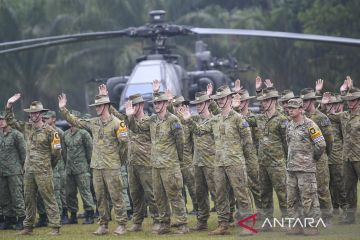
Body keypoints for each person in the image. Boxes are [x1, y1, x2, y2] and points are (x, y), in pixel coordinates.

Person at [179, 85, 256, 236]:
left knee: (241, 195)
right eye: (219, 99)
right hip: (219, 163)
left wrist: (247, 163)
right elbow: (200, 131)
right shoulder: (215, 120)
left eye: (223, 98)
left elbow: (248, 143)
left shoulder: (238, 119)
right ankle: (223, 224)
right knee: (220, 195)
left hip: (235, 162)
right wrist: (188, 120)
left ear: (229, 99)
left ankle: (248, 225)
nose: (221, 101)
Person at [58, 93, 129, 235]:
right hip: (97, 167)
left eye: (100, 105)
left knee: (116, 196)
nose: (97, 108)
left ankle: (121, 224)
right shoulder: (94, 122)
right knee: (100, 197)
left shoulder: (117, 123)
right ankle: (103, 225)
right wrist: (63, 109)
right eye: (96, 106)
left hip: (112, 167)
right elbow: (76, 121)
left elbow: (124, 145)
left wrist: (117, 162)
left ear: (107, 106)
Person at [125, 84, 189, 234]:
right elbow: (137, 129)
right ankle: (164, 224)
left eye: (159, 102)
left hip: (170, 165)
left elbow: (181, 142)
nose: (157, 105)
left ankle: (182, 224)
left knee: (174, 195)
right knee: (159, 197)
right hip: (155, 165)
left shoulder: (173, 120)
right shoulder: (152, 120)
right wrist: (129, 117)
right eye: (155, 103)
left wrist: (176, 160)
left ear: (166, 103)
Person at [99, 85, 160, 232]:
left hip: (146, 163)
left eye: (135, 105)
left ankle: (158, 220)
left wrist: (130, 116)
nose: (132, 108)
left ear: (141, 105)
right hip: (132, 163)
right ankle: (137, 222)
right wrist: (105, 99)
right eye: (131, 105)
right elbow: (114, 114)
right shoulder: (127, 119)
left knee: (151, 194)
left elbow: (134, 128)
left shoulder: (149, 121)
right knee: (135, 195)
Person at [5, 95, 61, 235]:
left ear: (41, 114)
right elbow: (11, 121)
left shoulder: (51, 131)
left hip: (44, 171)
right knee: (28, 198)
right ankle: (28, 226)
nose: (33, 115)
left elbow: (57, 153)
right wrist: (9, 105)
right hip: (29, 170)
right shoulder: (27, 128)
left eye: (36, 113)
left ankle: (55, 226)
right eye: (31, 113)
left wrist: (48, 166)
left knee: (49, 198)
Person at [322, 82, 360, 224]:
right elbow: (325, 118)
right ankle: (350, 217)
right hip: (347, 158)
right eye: (348, 100)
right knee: (348, 188)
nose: (350, 103)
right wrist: (325, 105)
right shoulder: (343, 116)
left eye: (353, 100)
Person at [286, 98, 325, 236]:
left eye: (293, 108)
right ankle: (297, 226)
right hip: (291, 169)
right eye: (289, 108)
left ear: (301, 109)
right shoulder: (289, 125)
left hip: (306, 170)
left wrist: (311, 158)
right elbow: (288, 143)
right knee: (291, 199)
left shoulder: (310, 125)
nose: (290, 110)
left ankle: (313, 226)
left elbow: (321, 144)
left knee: (309, 199)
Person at [300, 87, 334, 224]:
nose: (303, 103)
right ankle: (312, 218)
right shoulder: (301, 118)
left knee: (322, 189)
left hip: (319, 159)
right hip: (305, 159)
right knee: (307, 190)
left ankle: (327, 218)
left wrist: (324, 155)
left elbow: (329, 140)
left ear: (312, 101)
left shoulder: (321, 118)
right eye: (302, 101)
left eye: (305, 101)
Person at [62, 110, 95, 224]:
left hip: (82, 169)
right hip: (70, 169)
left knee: (85, 192)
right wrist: (67, 165)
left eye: (73, 118)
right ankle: (73, 215)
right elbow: (64, 152)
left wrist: (88, 165)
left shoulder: (84, 133)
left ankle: (90, 214)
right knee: (70, 193)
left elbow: (90, 150)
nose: (70, 121)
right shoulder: (65, 134)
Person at [0, 111, 26, 230]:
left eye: (3, 119)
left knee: (17, 196)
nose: (1, 122)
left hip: (14, 171)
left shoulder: (16, 135)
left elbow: (23, 153)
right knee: (4, 196)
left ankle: (21, 219)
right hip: (2, 171)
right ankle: (9, 219)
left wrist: (22, 167)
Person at [321, 94, 346, 214]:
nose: (331, 106)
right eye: (328, 104)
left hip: (337, 156)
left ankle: (345, 207)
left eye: (332, 104)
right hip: (325, 156)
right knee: (327, 184)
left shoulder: (339, 118)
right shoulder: (323, 117)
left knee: (340, 183)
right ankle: (334, 207)